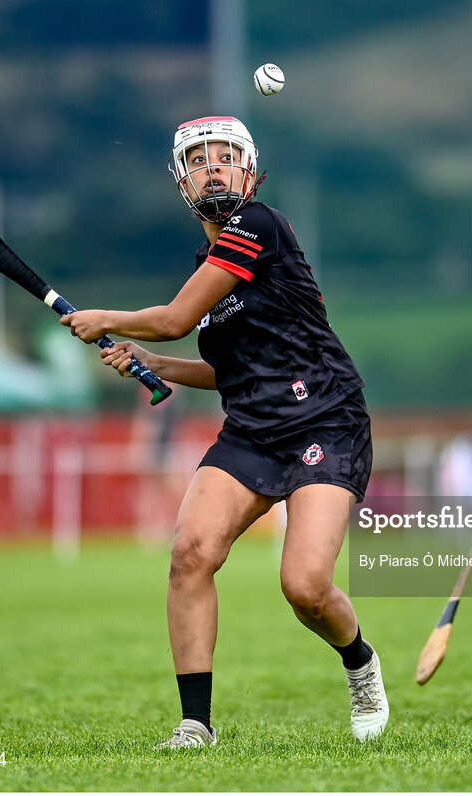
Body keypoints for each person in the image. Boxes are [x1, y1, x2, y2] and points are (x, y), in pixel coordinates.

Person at [60, 116, 389, 745]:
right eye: (199, 160)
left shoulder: (259, 225)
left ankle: (360, 664)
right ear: (181, 181)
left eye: (226, 157)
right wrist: (156, 363)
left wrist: (106, 318)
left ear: (250, 173)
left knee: (305, 587)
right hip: (253, 430)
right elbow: (229, 370)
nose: (213, 167)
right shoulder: (207, 262)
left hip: (325, 419)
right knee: (190, 555)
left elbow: (175, 319)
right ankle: (196, 723)